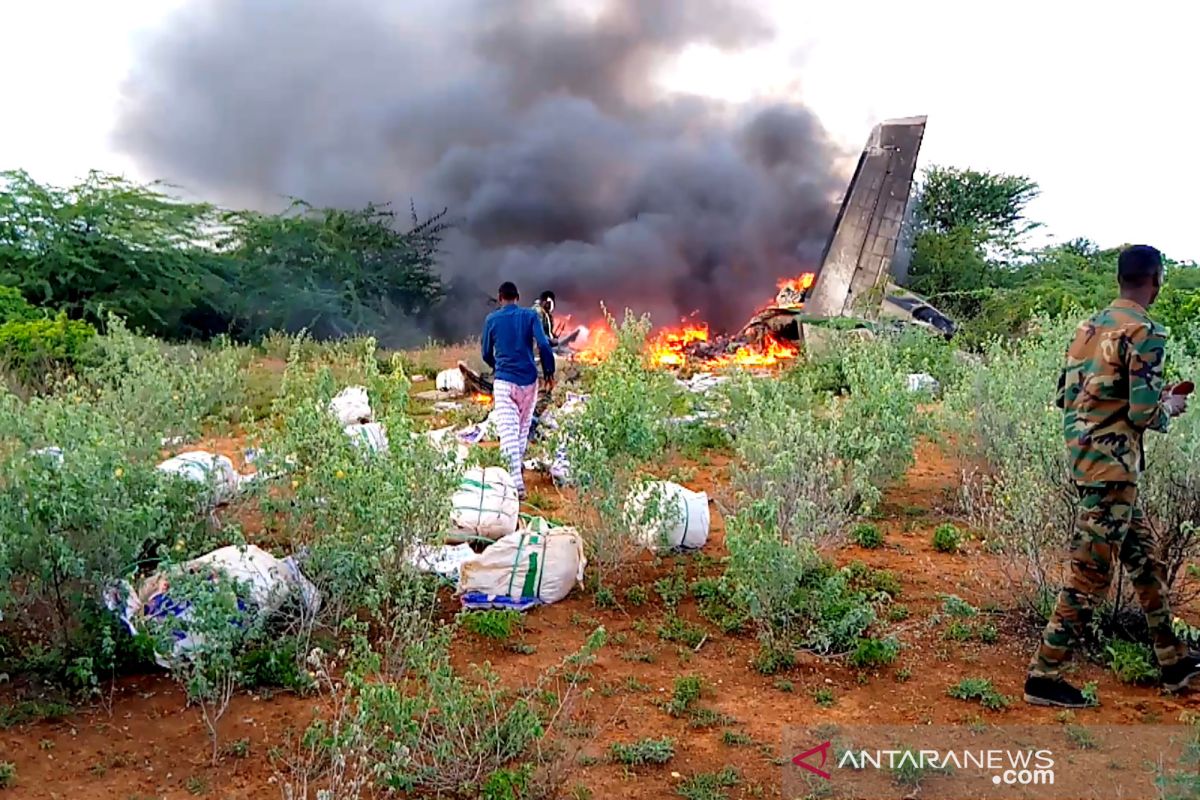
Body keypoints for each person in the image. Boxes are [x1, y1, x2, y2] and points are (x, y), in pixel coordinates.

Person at [1024, 244, 1197, 708]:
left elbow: (1065, 398)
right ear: (1156, 280)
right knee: (1090, 573)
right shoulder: (1146, 332)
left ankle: (1173, 659)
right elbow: (1142, 412)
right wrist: (1169, 408)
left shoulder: (1086, 329)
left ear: (1120, 278)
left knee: (1144, 561)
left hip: (1085, 462)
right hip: (1114, 468)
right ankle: (1044, 675)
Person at [481, 281, 555, 500]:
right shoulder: (530, 316)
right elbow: (543, 344)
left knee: (508, 434)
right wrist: (549, 370)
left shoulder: (492, 319)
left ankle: (516, 487)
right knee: (522, 430)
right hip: (529, 382)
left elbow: (486, 352)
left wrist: (497, 366)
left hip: (505, 382)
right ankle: (517, 474)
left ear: (500, 297)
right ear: (518, 297)